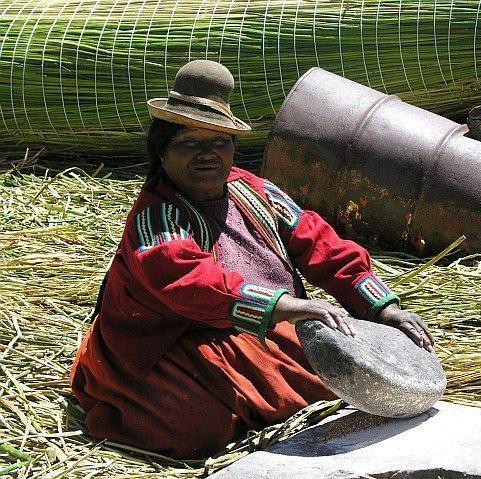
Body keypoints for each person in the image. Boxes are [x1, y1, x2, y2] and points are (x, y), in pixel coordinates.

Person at [69, 60, 435, 459]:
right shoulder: (157, 217)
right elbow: (190, 282)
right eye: (189, 143)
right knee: (192, 431)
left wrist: (384, 307)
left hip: (256, 324)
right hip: (171, 341)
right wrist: (289, 307)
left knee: (330, 377)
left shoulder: (256, 191)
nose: (206, 155)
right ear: (162, 153)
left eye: (218, 142)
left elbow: (320, 245)